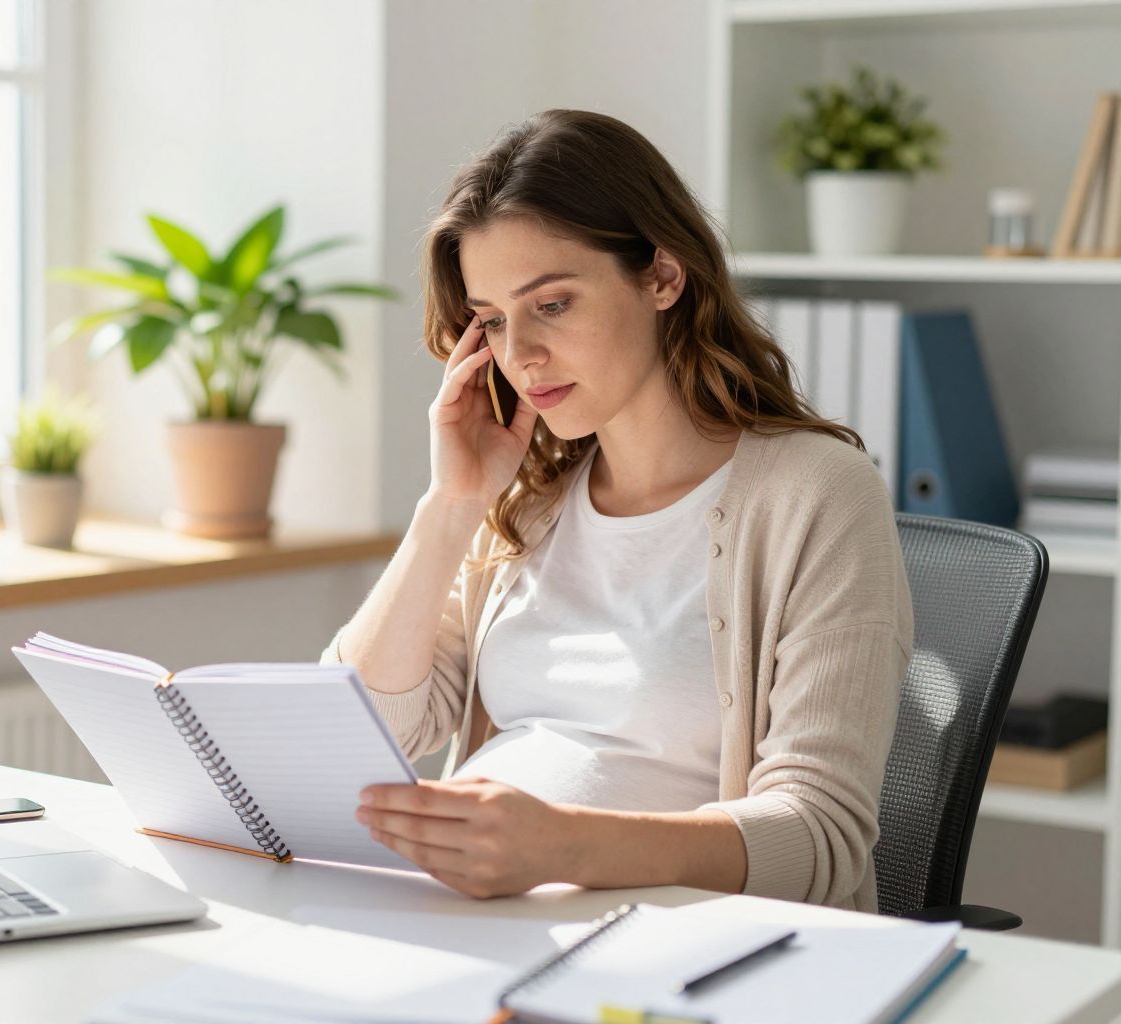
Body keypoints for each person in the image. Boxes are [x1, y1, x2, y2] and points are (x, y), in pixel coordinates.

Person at [321, 109, 912, 912]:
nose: (519, 355)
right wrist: (450, 503)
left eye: (553, 304)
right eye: (492, 321)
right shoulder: (529, 505)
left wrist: (561, 845)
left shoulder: (818, 492)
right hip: (475, 923)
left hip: (673, 953)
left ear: (663, 276)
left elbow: (819, 835)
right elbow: (362, 733)